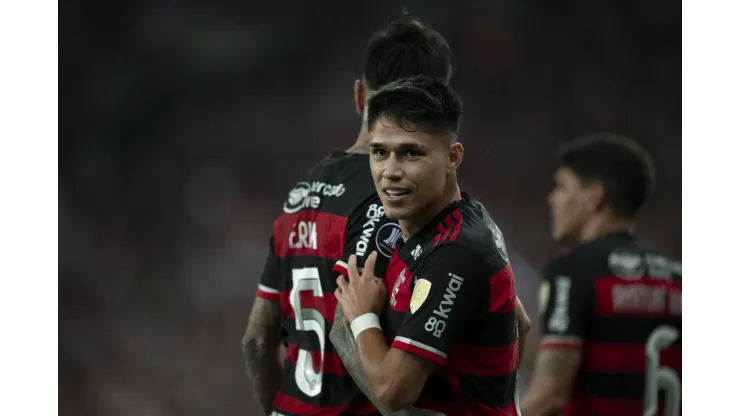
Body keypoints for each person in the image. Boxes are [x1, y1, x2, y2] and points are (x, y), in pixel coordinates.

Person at [241, 17, 457, 416]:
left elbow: (256, 340)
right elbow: (347, 324)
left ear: (360, 95)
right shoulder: (396, 196)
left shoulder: (301, 192)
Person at [333, 76, 522, 415]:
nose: (390, 171)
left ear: (453, 156)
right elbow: (520, 323)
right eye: (380, 152)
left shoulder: (456, 251)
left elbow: (392, 391)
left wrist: (362, 319)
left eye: (411, 153)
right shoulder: (458, 220)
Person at [520, 134, 682, 416]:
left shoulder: (572, 269)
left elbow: (550, 396)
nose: (552, 199)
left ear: (594, 196)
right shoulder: (677, 276)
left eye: (561, 186)